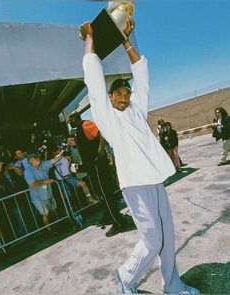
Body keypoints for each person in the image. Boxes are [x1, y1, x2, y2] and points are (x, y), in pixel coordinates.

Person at [79, 19, 200, 294]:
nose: (124, 97)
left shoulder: (136, 110)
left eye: (126, 93)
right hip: (135, 184)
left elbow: (141, 74)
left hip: (156, 181)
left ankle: (173, 285)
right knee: (152, 239)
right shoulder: (107, 119)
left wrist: (125, 40)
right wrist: (90, 40)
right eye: (118, 94)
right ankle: (126, 276)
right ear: (109, 98)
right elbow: (94, 81)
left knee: (167, 238)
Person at [68, 112, 126, 238]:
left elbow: (102, 133)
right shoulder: (78, 129)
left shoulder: (85, 124)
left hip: (97, 166)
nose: (68, 122)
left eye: (70, 119)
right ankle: (109, 215)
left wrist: (100, 150)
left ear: (74, 117)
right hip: (92, 168)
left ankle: (118, 222)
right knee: (101, 194)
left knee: (106, 193)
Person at [24, 152, 62, 233]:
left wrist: (61, 152)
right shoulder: (28, 171)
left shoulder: (42, 164)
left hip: (48, 194)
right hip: (37, 197)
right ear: (30, 161)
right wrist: (44, 181)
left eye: (37, 157)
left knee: (53, 210)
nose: (38, 158)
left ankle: (55, 226)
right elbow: (31, 184)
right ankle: (49, 230)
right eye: (35, 157)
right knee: (45, 213)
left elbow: (54, 160)